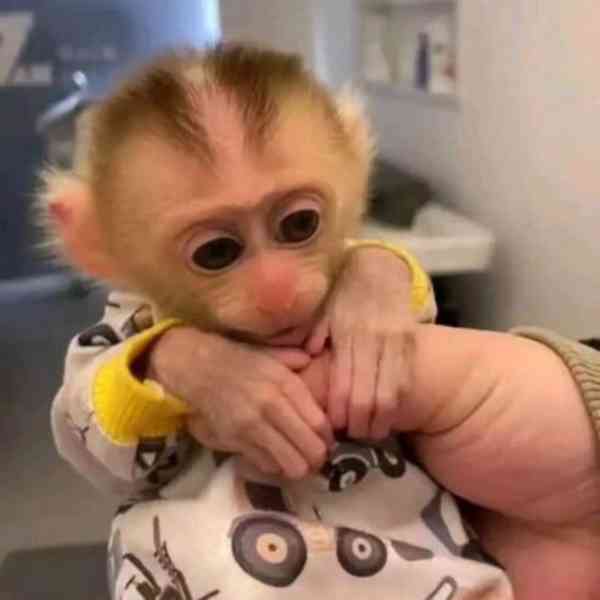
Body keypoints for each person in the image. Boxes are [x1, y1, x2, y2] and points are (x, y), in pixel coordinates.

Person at [51, 245, 600, 599]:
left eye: (297, 223)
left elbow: (416, 314)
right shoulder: (133, 319)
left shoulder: (344, 267)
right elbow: (88, 438)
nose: (276, 288)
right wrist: (167, 360)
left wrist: (379, 269)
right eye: (215, 249)